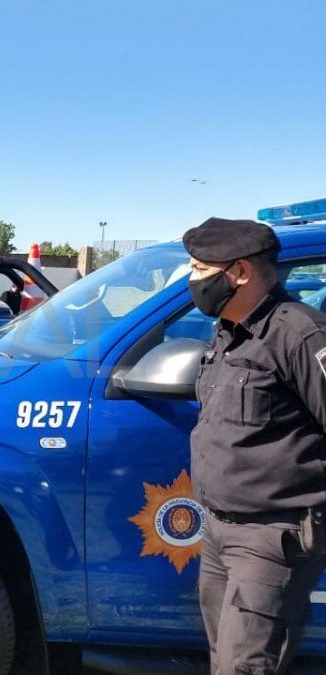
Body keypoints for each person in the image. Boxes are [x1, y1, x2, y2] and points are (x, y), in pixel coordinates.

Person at [184, 217, 326, 675]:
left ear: (239, 272)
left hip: (272, 535)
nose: (193, 280)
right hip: (219, 529)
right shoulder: (228, 332)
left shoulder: (300, 334)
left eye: (200, 268)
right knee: (224, 658)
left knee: (244, 668)